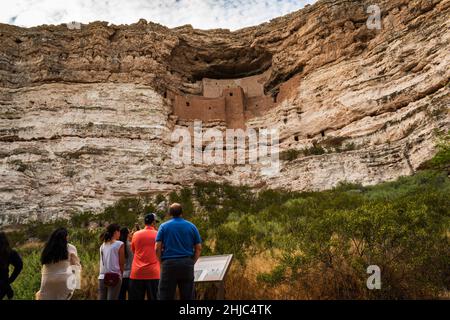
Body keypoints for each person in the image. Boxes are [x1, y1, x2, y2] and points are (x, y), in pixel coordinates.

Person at [156, 203, 202, 300]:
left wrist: (161, 262)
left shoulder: (163, 226)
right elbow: (198, 248)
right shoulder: (192, 226)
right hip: (186, 263)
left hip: (169, 263)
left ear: (169, 213)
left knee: (165, 295)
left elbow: (157, 247)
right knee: (188, 295)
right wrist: (192, 261)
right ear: (182, 213)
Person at [37, 227, 81, 300]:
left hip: (47, 280)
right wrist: (76, 284)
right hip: (64, 280)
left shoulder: (46, 249)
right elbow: (76, 266)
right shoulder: (70, 247)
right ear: (65, 237)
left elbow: (44, 266)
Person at [129, 213, 160, 300]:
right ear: (153, 223)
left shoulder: (136, 234)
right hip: (153, 273)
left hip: (137, 273)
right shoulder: (158, 234)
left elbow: (134, 251)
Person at [98, 223, 125, 300]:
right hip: (114, 276)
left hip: (102, 277)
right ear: (115, 232)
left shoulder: (102, 245)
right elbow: (121, 263)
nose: (120, 233)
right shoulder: (119, 244)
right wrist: (121, 275)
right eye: (119, 231)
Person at [0, 232, 23, 300]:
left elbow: (19, 265)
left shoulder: (9, 252)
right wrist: (10, 281)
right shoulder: (9, 252)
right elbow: (19, 265)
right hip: (3, 287)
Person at [118, 227, 133, 300]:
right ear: (127, 234)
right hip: (131, 275)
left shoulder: (118, 246)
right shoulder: (131, 245)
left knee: (121, 296)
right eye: (130, 232)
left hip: (120, 275)